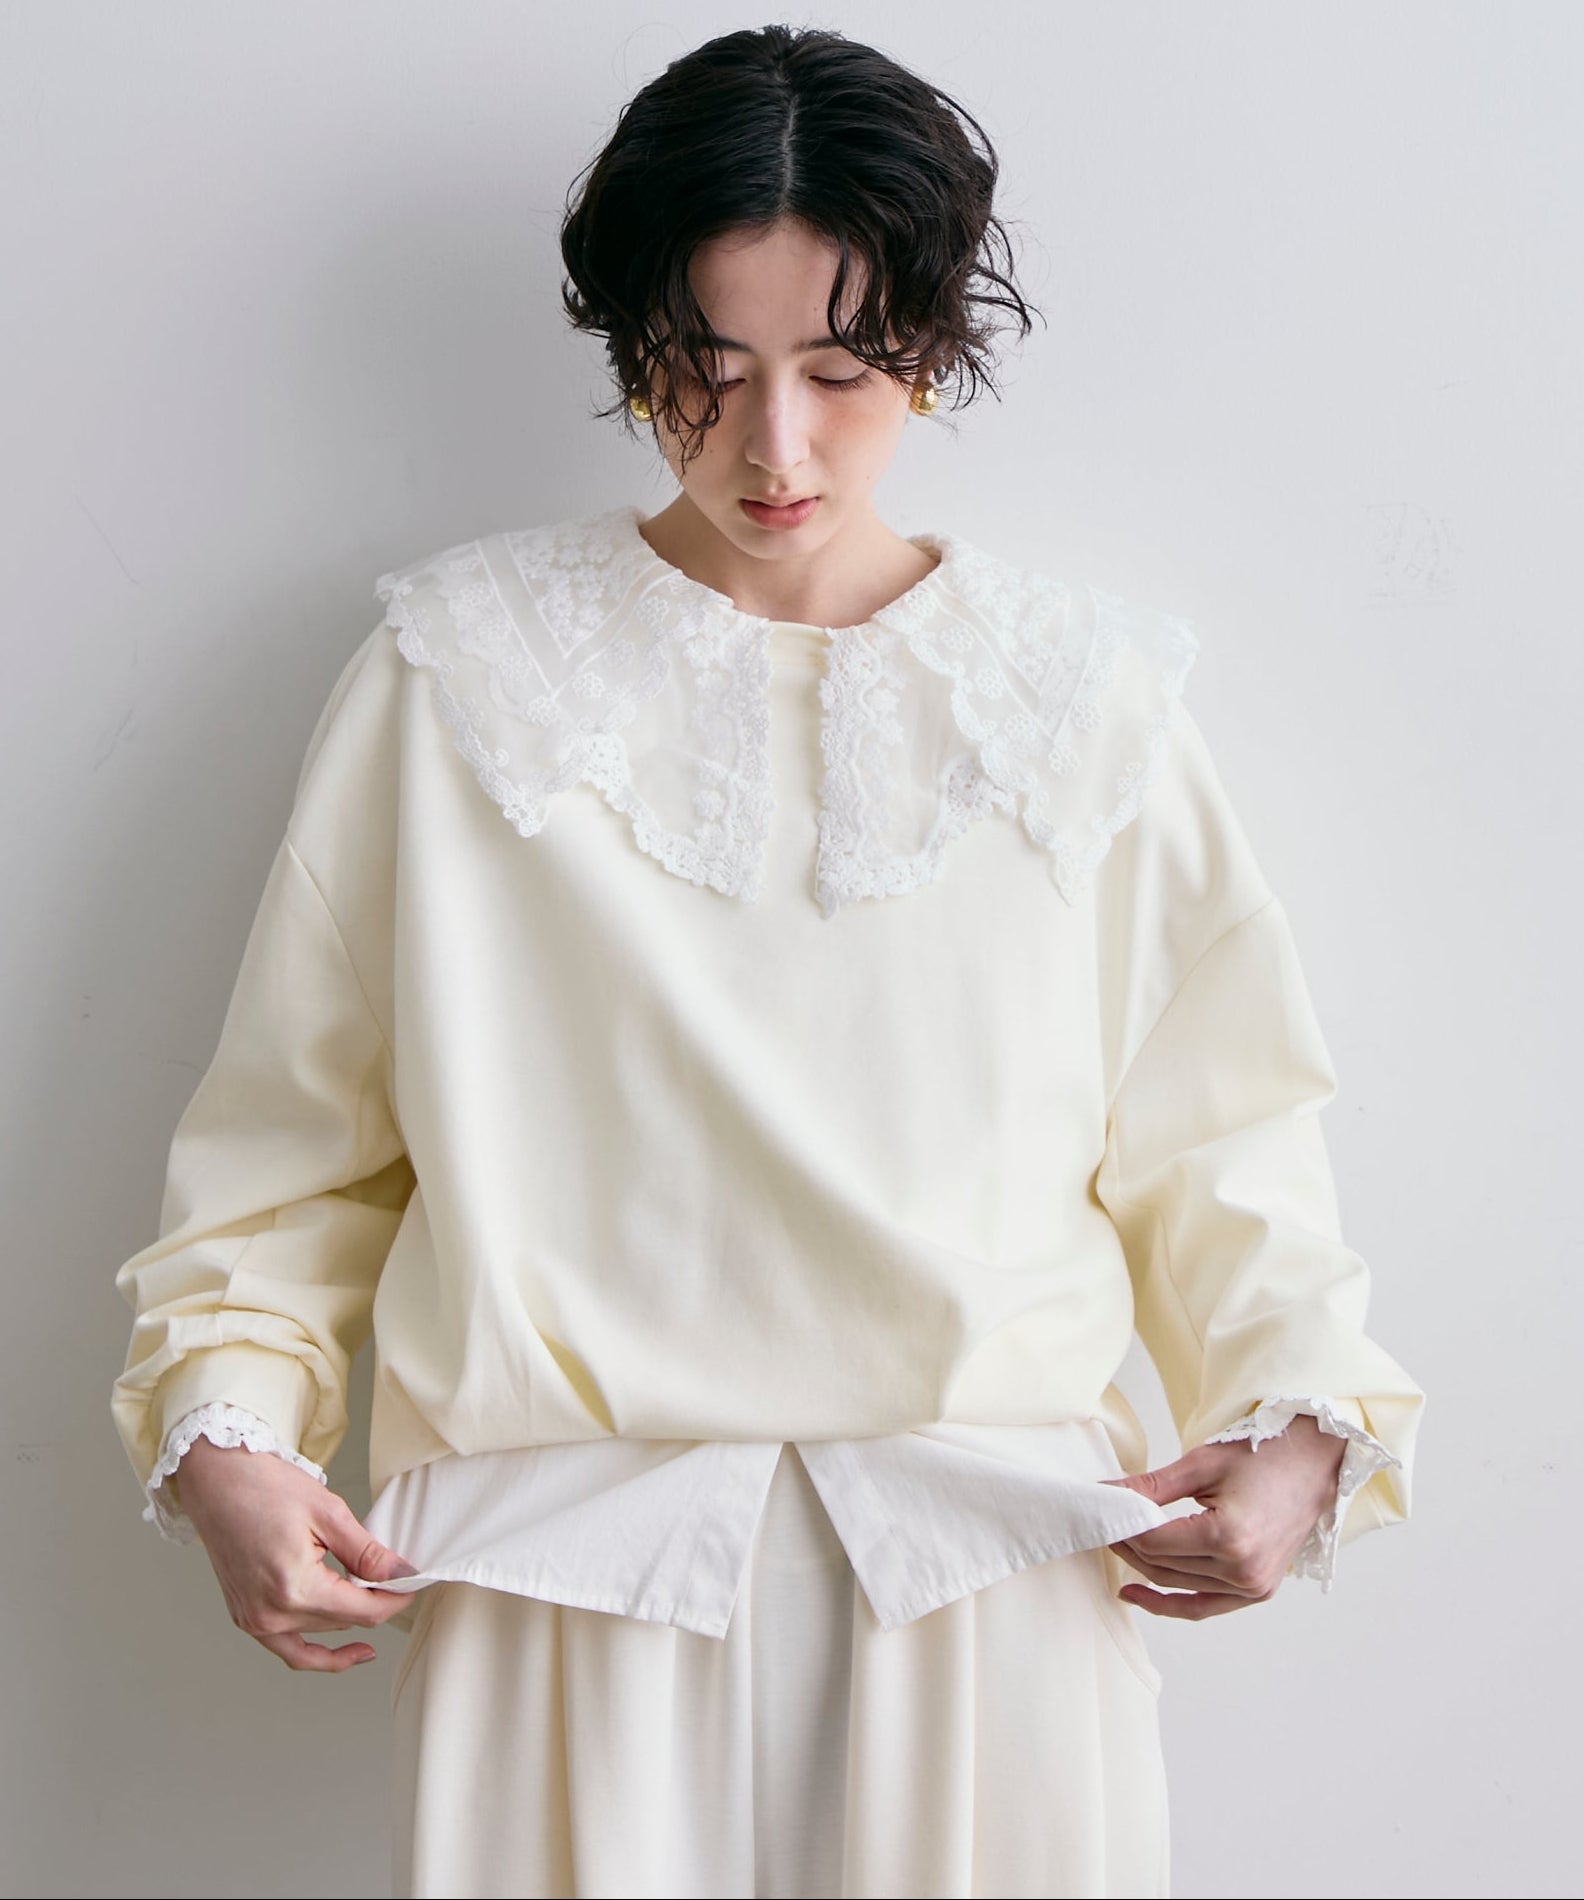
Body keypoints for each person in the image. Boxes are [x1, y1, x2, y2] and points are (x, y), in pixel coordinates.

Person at [111, 24, 1423, 1900]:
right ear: (627, 344)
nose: (772, 446)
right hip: (559, 1574)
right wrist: (229, 1431)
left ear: (935, 349)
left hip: (994, 1578)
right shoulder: (456, 673)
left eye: (839, 369)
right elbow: (292, 1145)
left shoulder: (1082, 697)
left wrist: (1297, 1426)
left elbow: (1225, 1138)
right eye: (702, 372)